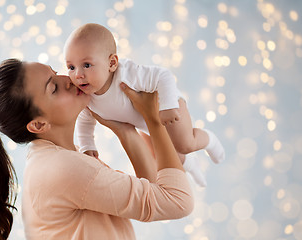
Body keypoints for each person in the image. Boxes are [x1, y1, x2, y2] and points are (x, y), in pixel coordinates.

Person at [0, 58, 194, 240]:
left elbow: (155, 192)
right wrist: (153, 118)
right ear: (38, 124)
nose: (68, 79)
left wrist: (124, 129)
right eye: (53, 87)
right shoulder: (64, 169)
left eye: (55, 72)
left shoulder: (55, 159)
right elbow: (177, 202)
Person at [64, 23, 225, 187]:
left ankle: (210, 140)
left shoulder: (127, 74)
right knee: (165, 157)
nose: (77, 75)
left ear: (112, 63)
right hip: (145, 124)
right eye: (71, 67)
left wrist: (168, 105)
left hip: (167, 105)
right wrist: (87, 145)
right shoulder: (87, 97)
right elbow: (85, 120)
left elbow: (163, 75)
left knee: (184, 144)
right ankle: (192, 165)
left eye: (86, 65)